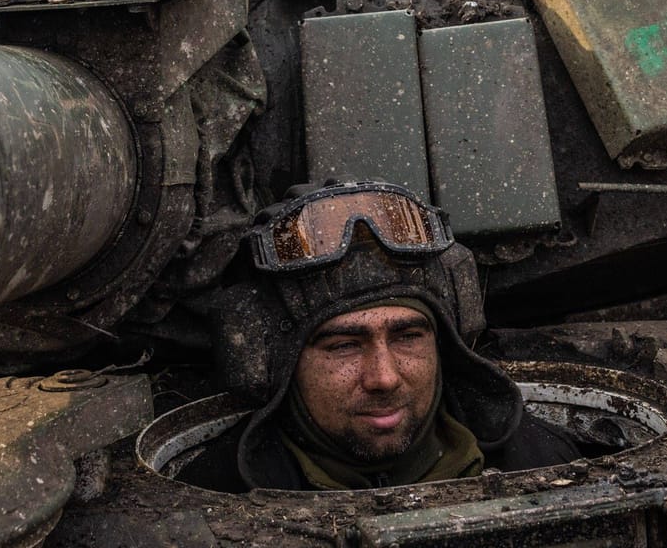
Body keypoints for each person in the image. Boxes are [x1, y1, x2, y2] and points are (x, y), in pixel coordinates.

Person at [178, 181, 581, 491]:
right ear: (276, 363)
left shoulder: (542, 464)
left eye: (407, 336)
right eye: (344, 346)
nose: (384, 378)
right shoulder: (215, 498)